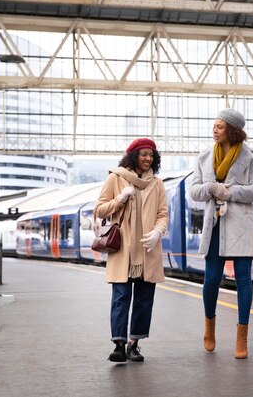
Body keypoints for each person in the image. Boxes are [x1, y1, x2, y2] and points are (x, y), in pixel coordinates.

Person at [190, 108, 253, 359]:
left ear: (232, 131)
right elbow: (194, 192)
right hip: (214, 224)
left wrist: (230, 193)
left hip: (240, 225)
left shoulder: (252, 157)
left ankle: (241, 338)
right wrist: (211, 188)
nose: (214, 130)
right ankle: (209, 327)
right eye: (214, 126)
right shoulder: (203, 158)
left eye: (220, 126)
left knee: (243, 279)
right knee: (211, 280)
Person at [93, 138, 168, 364]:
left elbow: (162, 214)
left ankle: (134, 344)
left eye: (151, 155)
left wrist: (157, 232)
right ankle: (119, 345)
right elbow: (99, 209)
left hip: (147, 250)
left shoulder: (157, 184)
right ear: (133, 155)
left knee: (144, 300)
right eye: (144, 154)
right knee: (121, 297)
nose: (148, 159)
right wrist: (120, 198)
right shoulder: (115, 178)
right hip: (123, 250)